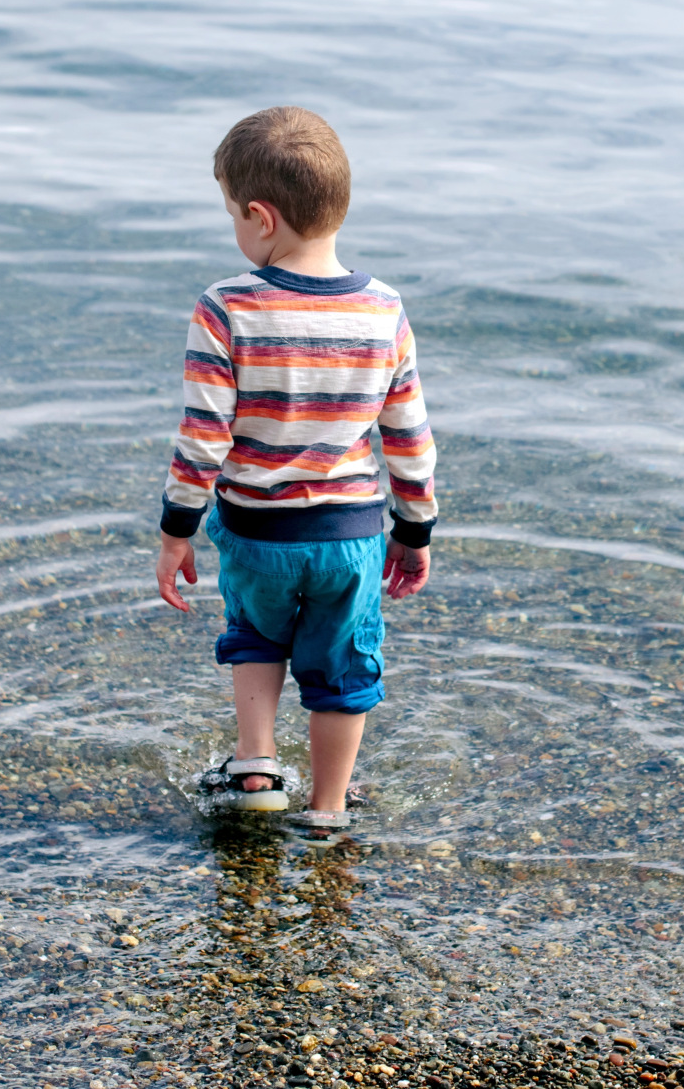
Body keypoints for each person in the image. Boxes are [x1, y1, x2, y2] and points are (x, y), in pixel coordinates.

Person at [154, 106, 437, 833]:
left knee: (255, 633)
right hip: (349, 536)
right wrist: (415, 528)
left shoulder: (226, 307)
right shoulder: (384, 310)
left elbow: (202, 437)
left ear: (260, 217)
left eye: (233, 217)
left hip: (254, 531)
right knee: (343, 667)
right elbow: (407, 434)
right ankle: (329, 809)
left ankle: (255, 767)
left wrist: (176, 530)